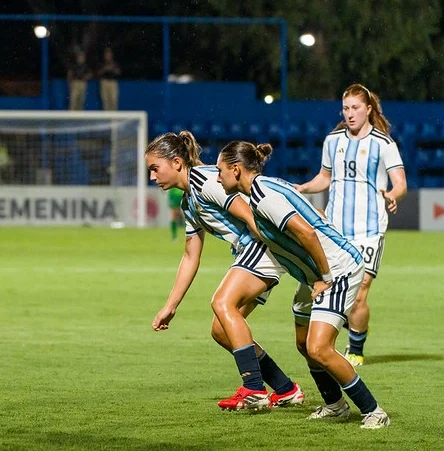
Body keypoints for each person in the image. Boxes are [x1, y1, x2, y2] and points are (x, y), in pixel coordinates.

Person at [216, 140, 390, 429]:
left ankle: (374, 411)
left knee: (319, 347)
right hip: (314, 275)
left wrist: (323, 277)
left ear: (236, 170)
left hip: (337, 269)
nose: (218, 177)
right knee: (303, 343)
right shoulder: (264, 189)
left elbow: (307, 233)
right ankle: (335, 406)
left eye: (221, 170)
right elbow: (315, 218)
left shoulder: (263, 197)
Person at [147, 132, 304, 411]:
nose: (152, 176)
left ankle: (254, 389)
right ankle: (285, 388)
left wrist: (285, 252)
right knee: (222, 331)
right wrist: (170, 306)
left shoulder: (207, 181)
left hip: (260, 246)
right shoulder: (189, 201)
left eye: (154, 168)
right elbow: (190, 256)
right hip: (255, 252)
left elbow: (251, 215)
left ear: (177, 162)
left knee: (221, 302)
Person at [296, 84, 406, 367]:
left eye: (356, 108)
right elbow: (324, 178)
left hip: (369, 231)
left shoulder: (384, 144)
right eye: (346, 108)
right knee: (328, 286)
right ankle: (326, 341)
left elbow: (401, 184)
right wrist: (303, 188)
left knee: (359, 293)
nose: (350, 114)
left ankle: (355, 348)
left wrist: (393, 195)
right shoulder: (333, 140)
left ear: (368, 109)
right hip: (335, 230)